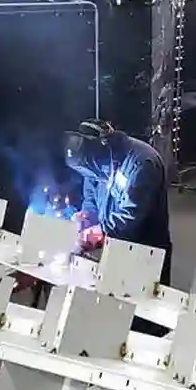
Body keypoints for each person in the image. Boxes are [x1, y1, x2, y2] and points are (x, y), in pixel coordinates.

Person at [64, 120, 173, 334]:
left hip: (147, 251)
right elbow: (91, 197)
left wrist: (97, 232)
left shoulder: (142, 162)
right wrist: (87, 216)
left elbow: (130, 219)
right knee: (118, 316)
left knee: (146, 320)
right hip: (116, 248)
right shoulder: (94, 162)